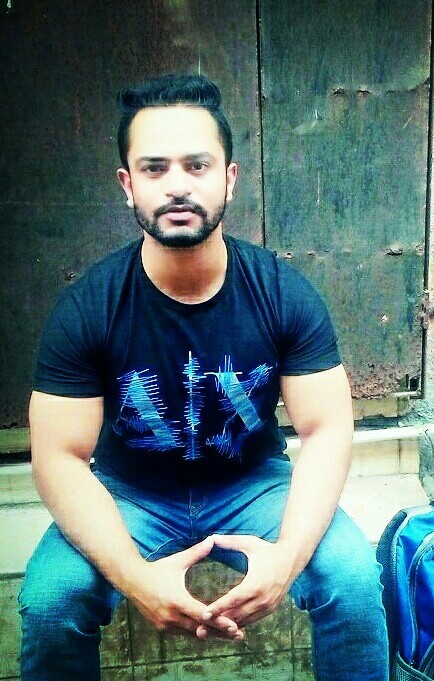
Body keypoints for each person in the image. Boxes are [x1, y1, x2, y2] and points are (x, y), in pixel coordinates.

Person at [19, 73, 389, 680]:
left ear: (229, 178)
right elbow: (59, 457)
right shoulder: (87, 307)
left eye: (197, 166)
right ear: (128, 184)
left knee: (351, 579)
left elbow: (326, 430)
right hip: (131, 492)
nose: (177, 185)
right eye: (155, 168)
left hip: (254, 485)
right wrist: (136, 580)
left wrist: (287, 562)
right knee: (51, 601)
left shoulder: (283, 293)